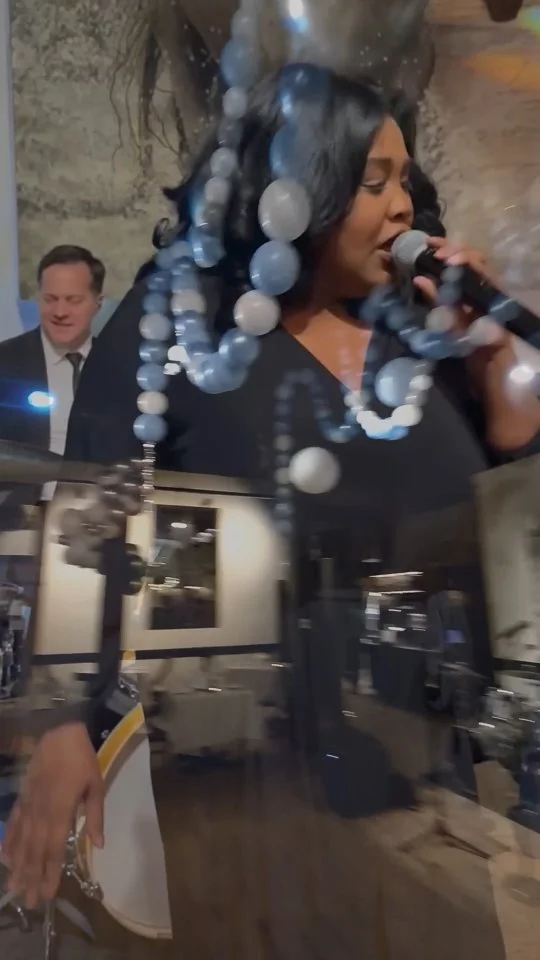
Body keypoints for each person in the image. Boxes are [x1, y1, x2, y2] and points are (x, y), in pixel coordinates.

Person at [4, 68, 540, 913]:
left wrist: (496, 354)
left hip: (430, 779)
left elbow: (507, 497)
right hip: (241, 787)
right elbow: (91, 515)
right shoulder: (183, 322)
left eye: (405, 181)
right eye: (373, 182)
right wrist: (63, 722)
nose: (403, 207)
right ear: (297, 188)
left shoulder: (415, 331)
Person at [0, 245, 105, 505]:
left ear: (97, 302)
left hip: (102, 515)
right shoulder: (5, 362)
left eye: (73, 300)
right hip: (21, 517)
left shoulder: (117, 365)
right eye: (50, 299)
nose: (59, 312)